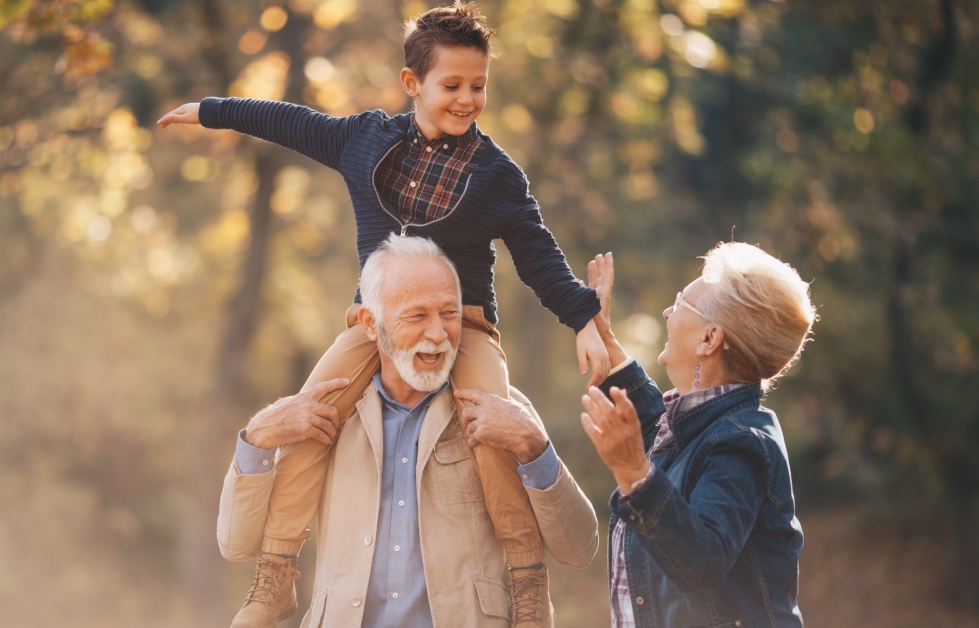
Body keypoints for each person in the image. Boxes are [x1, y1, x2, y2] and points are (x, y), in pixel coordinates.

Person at [159, 2, 608, 623]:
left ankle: (528, 583)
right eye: (452, 85)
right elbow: (288, 121)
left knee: (490, 431)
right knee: (311, 417)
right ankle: (276, 574)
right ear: (412, 83)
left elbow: (538, 255)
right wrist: (212, 110)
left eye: (478, 86)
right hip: (375, 321)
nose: (468, 100)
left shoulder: (497, 176)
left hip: (465, 324)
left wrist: (583, 317)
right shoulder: (364, 140)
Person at [217, 235, 600, 627]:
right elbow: (235, 542)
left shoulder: (500, 409)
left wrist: (536, 447)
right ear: (371, 324)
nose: (438, 333)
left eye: (449, 314)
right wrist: (258, 437)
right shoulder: (329, 414)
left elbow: (579, 548)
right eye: (417, 316)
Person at [576, 244, 815, 627]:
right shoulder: (701, 428)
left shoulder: (742, 443)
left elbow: (703, 562)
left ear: (709, 339)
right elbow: (655, 427)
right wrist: (604, 338)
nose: (667, 312)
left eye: (680, 302)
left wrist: (635, 473)